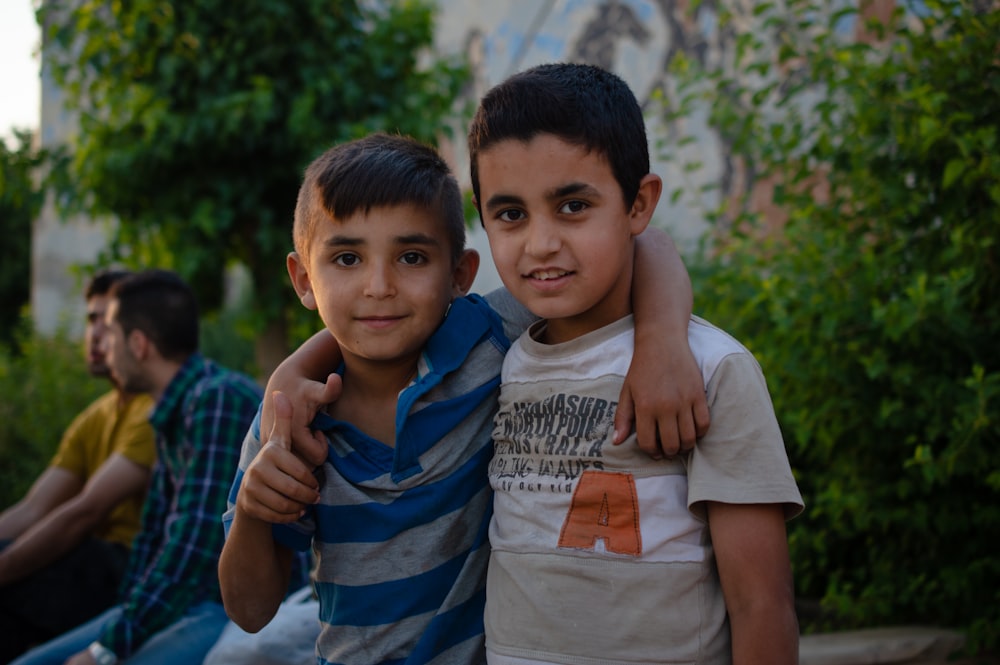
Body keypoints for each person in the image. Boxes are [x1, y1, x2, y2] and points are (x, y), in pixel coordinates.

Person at [218, 132, 708, 665]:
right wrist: (251, 512)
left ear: (459, 275)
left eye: (410, 256)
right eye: (346, 259)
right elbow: (249, 611)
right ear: (303, 278)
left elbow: (643, 244)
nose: (378, 286)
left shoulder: (486, 341)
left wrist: (662, 342)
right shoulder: (292, 426)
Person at [470, 63, 805, 665]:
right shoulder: (495, 354)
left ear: (639, 204)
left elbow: (763, 606)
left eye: (572, 206)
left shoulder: (710, 369)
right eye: (511, 214)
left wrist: (660, 341)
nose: (540, 243)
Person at [12, 269, 263, 665]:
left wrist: (104, 650)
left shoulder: (216, 400)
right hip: (185, 606)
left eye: (108, 333)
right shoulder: (169, 414)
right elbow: (153, 540)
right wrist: (118, 625)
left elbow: (190, 550)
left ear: (139, 344)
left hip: (228, 610)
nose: (102, 347)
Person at [0, 269, 156, 662]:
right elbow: (33, 509)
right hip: (89, 561)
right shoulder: (95, 416)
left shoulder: (155, 409)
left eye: (109, 322)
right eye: (91, 320)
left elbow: (84, 512)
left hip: (125, 568)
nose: (97, 334)